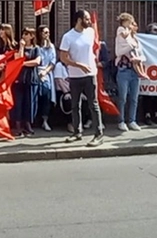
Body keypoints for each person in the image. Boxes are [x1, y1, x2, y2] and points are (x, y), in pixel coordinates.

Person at [59, 10, 104, 146]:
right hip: (74, 75)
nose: (89, 21)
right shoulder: (68, 37)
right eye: (86, 18)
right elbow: (63, 57)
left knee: (93, 104)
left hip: (90, 74)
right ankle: (77, 132)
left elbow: (95, 45)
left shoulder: (90, 32)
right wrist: (78, 65)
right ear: (79, 20)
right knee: (75, 105)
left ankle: (98, 134)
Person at [113, 13, 145, 132]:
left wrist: (139, 59)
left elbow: (142, 56)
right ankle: (121, 121)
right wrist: (130, 48)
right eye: (130, 23)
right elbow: (118, 52)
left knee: (134, 97)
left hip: (134, 71)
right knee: (122, 97)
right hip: (123, 70)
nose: (132, 26)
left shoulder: (135, 39)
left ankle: (132, 120)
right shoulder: (120, 34)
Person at [10, 28, 41, 136]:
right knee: (18, 103)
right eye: (23, 34)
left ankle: (28, 124)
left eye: (27, 34)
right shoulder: (18, 48)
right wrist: (22, 47)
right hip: (19, 79)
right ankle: (18, 125)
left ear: (32, 36)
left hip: (31, 78)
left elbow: (37, 61)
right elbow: (18, 59)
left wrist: (23, 64)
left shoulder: (36, 48)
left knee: (29, 102)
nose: (24, 36)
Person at [139, 23, 157, 126]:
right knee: (147, 95)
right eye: (154, 30)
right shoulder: (144, 41)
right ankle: (147, 115)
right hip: (148, 70)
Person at [34, 25, 58, 132]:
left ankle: (45, 120)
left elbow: (52, 62)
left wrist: (45, 72)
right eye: (45, 32)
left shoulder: (51, 47)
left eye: (48, 32)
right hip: (36, 72)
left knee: (47, 94)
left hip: (46, 73)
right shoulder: (36, 47)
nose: (47, 35)